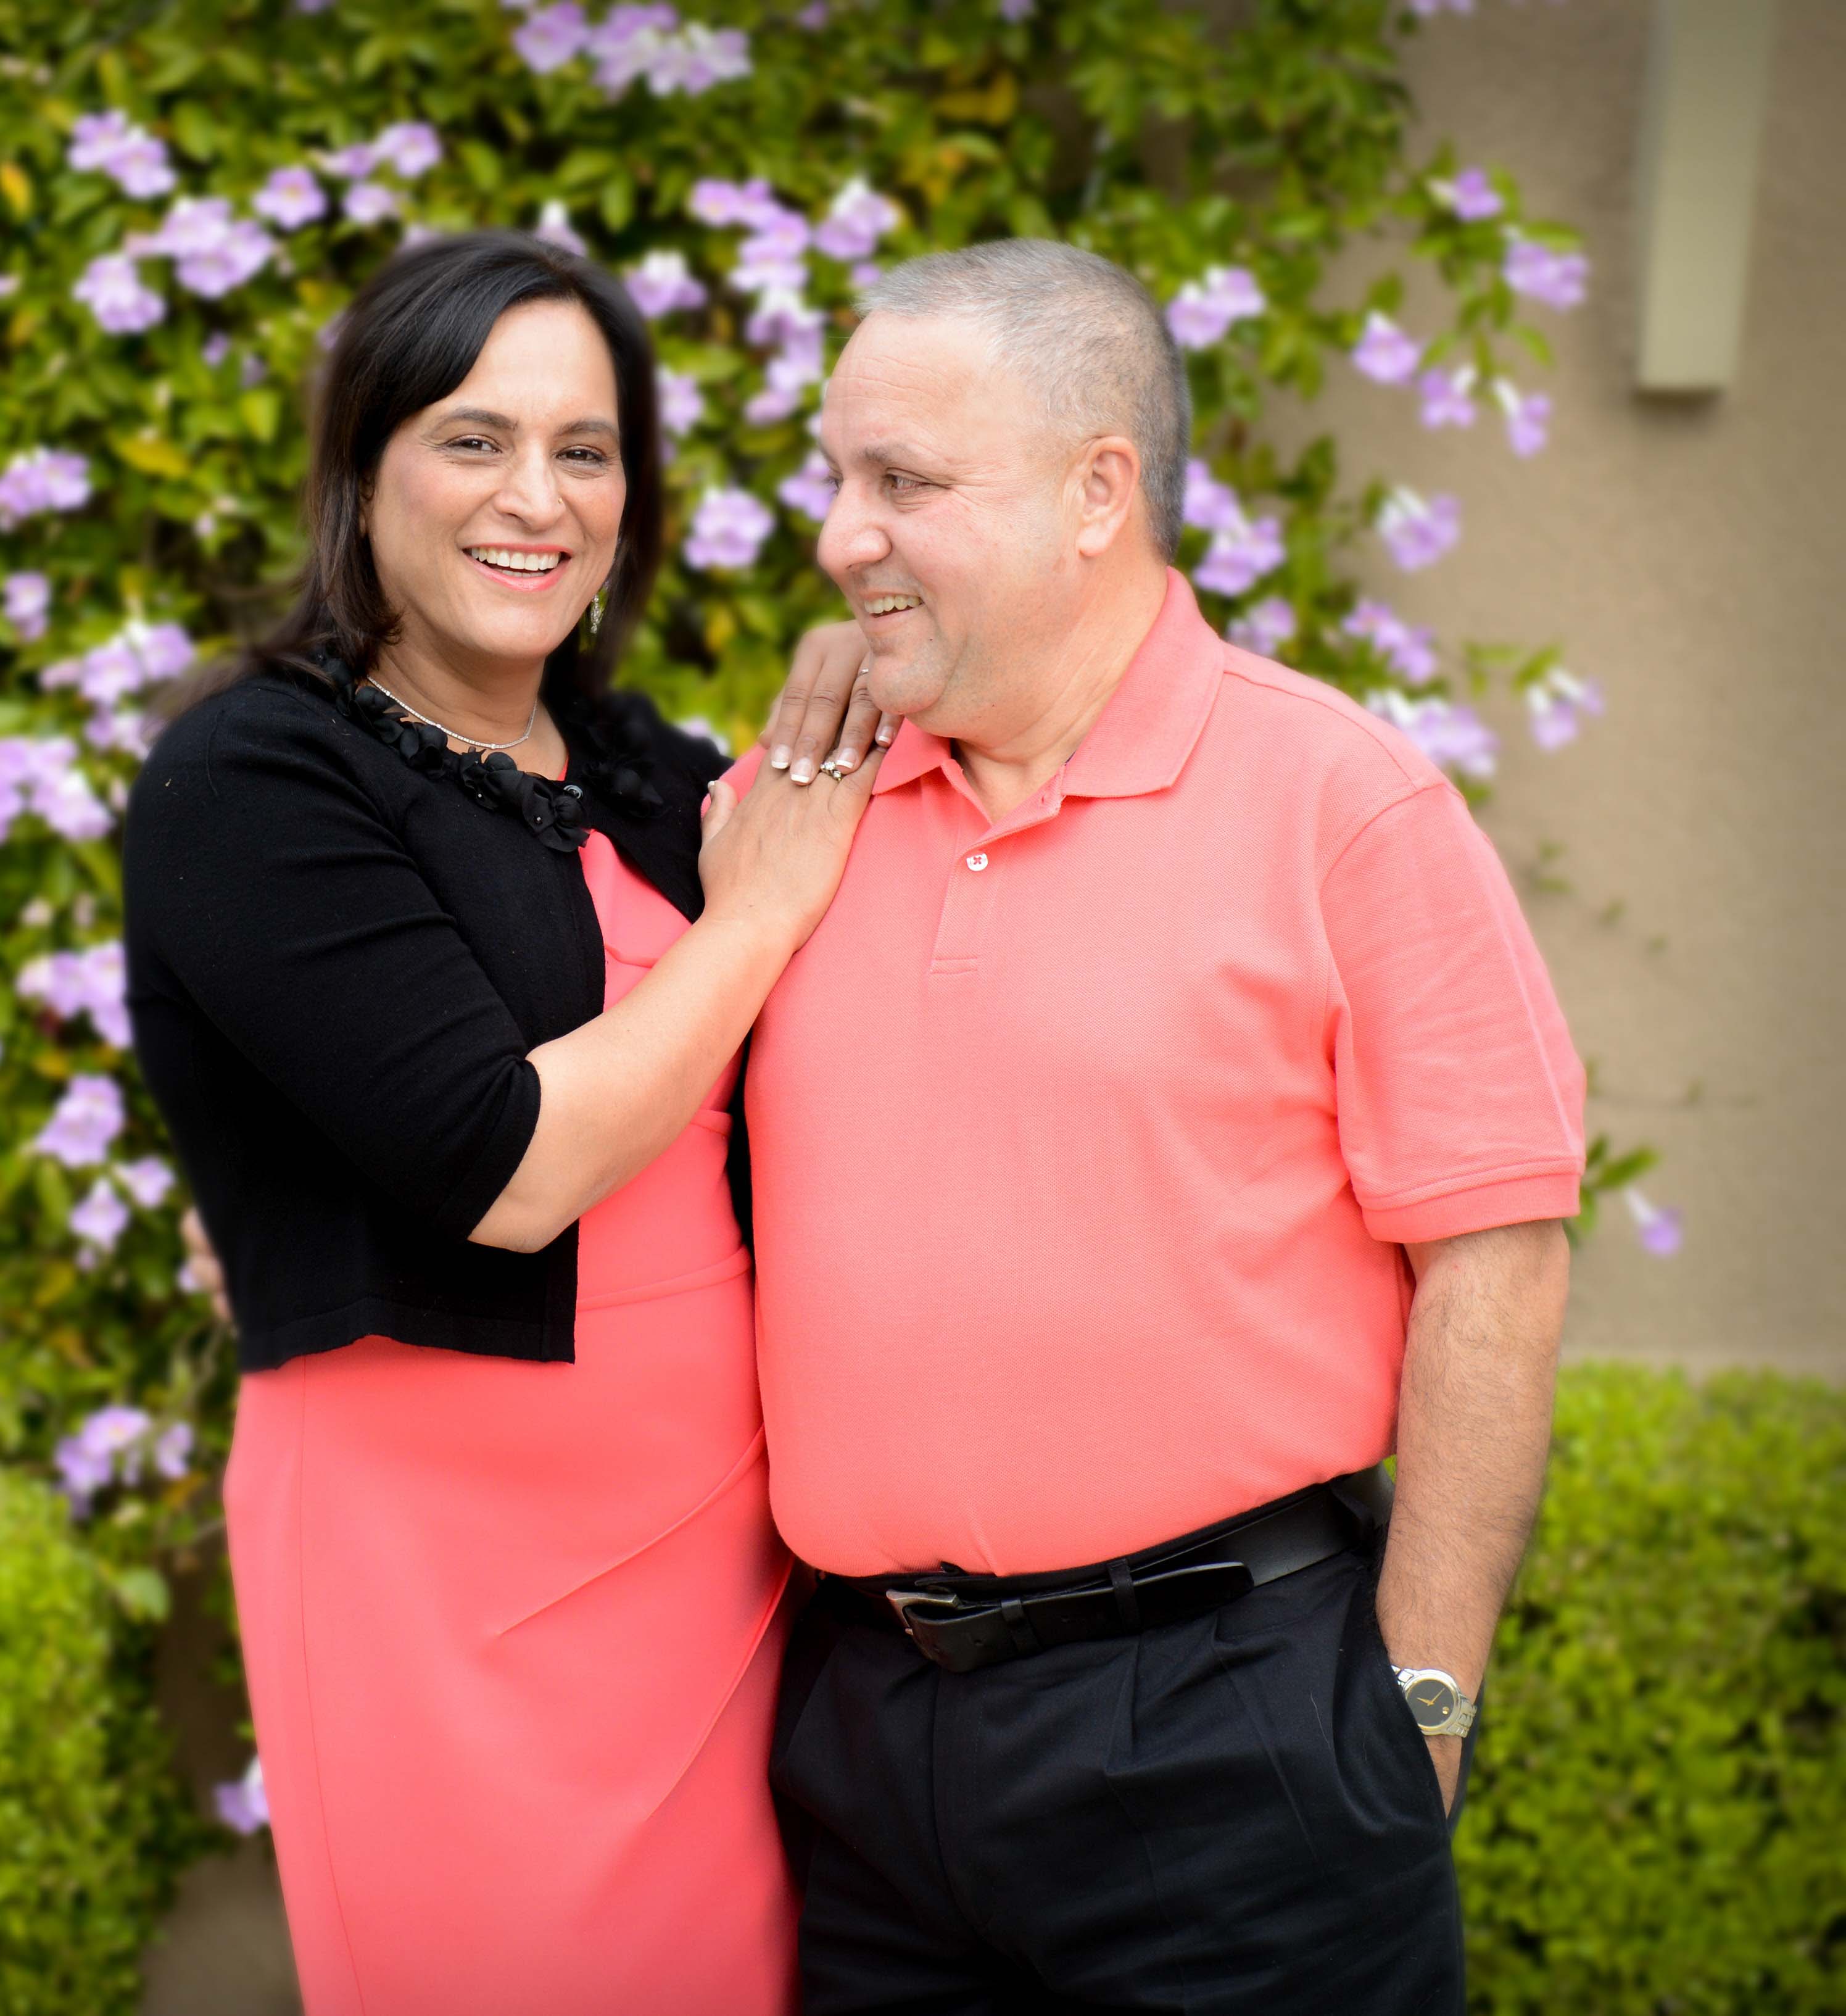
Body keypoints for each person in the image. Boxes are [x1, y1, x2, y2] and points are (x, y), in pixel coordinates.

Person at [743, 239, 1584, 2012]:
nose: (838, 532)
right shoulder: (789, 805)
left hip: (1233, 1726)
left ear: (1094, 493)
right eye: (834, 475)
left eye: (902, 480)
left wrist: (1415, 1710)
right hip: (865, 1733)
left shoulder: (1341, 800)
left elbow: (1496, 1266)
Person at [123, 233, 872, 2014]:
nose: (535, 495)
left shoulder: (659, 776)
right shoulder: (257, 776)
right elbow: (509, 1164)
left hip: (726, 1556)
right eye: (473, 439)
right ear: (362, 475)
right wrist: (758, 916)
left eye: (585, 449)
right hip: (440, 1568)